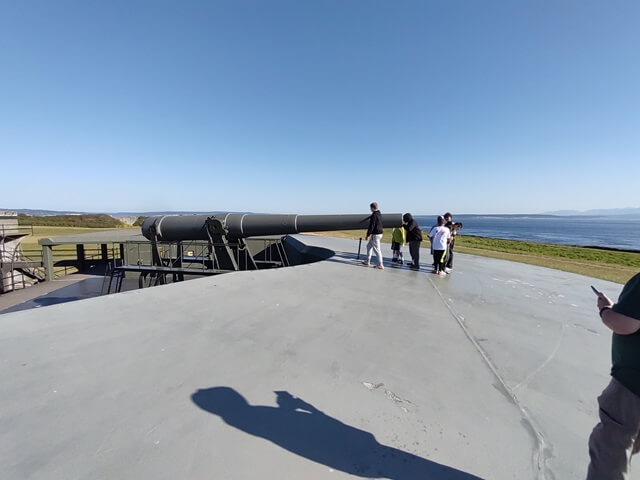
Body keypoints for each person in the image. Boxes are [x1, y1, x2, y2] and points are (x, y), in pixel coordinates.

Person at [586, 273, 640, 479]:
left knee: (611, 447)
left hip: (632, 384)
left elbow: (624, 325)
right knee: (630, 441)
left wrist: (605, 310)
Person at [363, 202, 384, 270]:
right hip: (379, 233)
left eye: (370, 208)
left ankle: (381, 264)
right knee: (369, 246)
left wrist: (368, 234)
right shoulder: (379, 214)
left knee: (377, 249)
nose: (370, 209)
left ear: (372, 208)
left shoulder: (374, 215)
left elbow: (371, 226)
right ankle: (368, 261)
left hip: (375, 234)